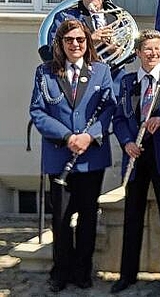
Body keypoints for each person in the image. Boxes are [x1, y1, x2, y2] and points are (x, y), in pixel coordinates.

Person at [29, 19, 117, 293]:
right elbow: (38, 112)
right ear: (60, 44)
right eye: (69, 40)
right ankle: (61, 271)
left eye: (80, 40)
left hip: (91, 155)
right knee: (61, 219)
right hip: (60, 155)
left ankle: (82, 271)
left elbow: (109, 110)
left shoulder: (102, 71)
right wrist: (68, 137)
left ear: (87, 42)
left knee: (89, 216)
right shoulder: (45, 72)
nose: (75, 45)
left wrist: (88, 137)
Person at [110, 29, 160, 294]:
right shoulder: (127, 82)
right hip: (135, 155)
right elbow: (118, 118)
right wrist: (127, 142)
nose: (153, 54)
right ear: (138, 53)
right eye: (148, 49)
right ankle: (127, 274)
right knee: (132, 217)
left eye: (157, 49)